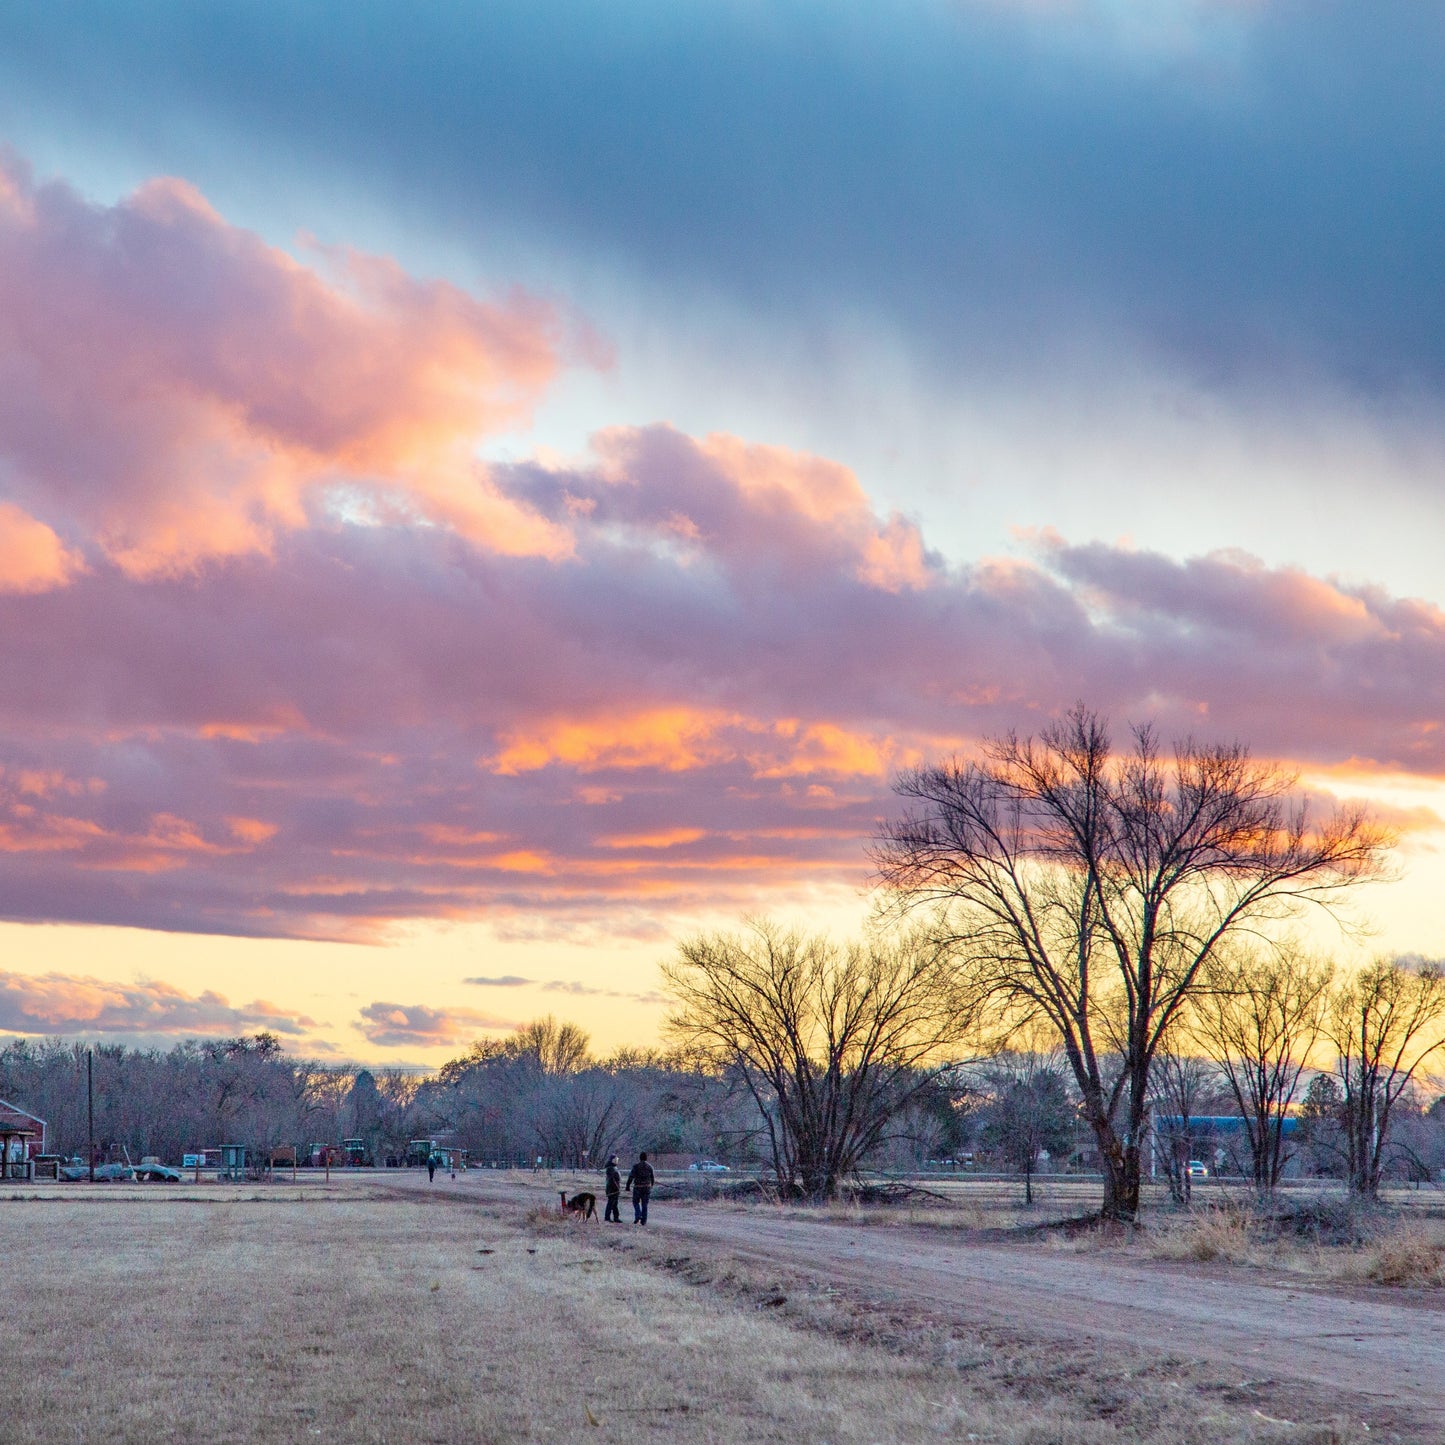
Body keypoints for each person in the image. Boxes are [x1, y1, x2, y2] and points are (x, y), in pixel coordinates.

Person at [625, 1151, 655, 1226]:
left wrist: (628, 1186)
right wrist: (651, 1186)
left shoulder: (636, 1166)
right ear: (646, 1158)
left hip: (637, 1187)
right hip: (647, 1187)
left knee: (635, 1202)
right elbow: (652, 1178)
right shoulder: (650, 1167)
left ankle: (638, 1215)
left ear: (640, 1158)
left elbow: (631, 1177)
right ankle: (644, 1221)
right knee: (645, 1204)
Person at [603, 1154, 622, 1223]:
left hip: (614, 1188)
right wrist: (617, 1188)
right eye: (615, 1159)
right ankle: (607, 1217)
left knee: (614, 1204)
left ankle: (616, 1217)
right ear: (612, 1160)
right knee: (611, 1203)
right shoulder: (610, 1168)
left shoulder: (613, 1167)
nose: (617, 1161)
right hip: (612, 1189)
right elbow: (612, 1180)